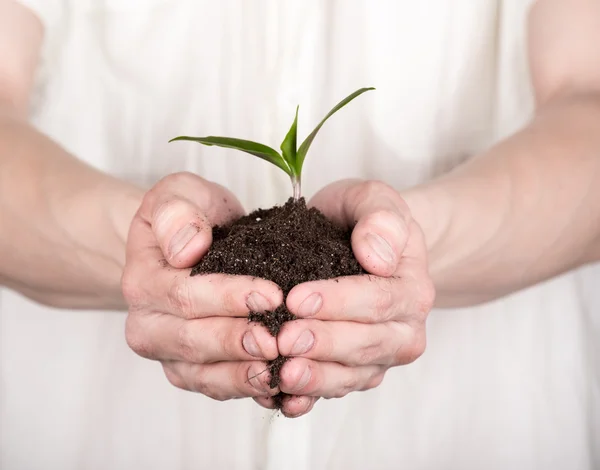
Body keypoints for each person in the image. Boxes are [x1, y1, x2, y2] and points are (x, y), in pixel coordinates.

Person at [1, 0, 598, 468]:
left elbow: (588, 103)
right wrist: (154, 255)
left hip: (481, 427)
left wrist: (398, 245)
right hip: (98, 433)